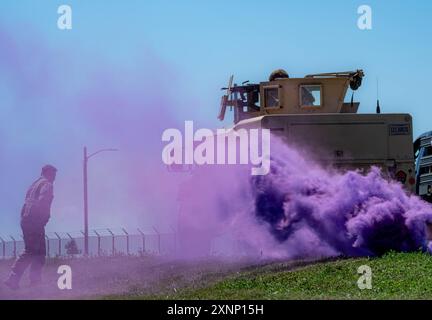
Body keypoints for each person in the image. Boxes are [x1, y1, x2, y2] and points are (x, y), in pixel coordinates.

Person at [4, 165, 57, 290]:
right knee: (35, 251)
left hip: (26, 220)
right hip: (35, 221)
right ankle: (23, 280)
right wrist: (44, 217)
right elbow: (43, 201)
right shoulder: (47, 184)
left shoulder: (34, 184)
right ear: (47, 172)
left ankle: (27, 279)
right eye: (53, 174)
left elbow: (28, 201)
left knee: (35, 250)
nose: (54, 177)